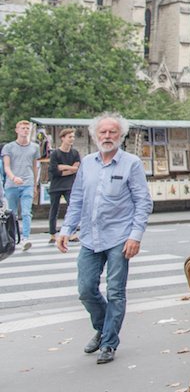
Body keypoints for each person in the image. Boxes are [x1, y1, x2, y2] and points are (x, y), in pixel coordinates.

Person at [56, 113, 153, 365]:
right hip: (89, 236)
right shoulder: (87, 163)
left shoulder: (131, 163)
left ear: (121, 135)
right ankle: (102, 328)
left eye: (112, 132)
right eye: (103, 132)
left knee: (116, 292)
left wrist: (135, 236)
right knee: (86, 289)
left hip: (119, 238)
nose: (107, 136)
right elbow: (76, 199)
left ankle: (109, 342)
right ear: (95, 136)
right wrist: (66, 229)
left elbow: (143, 202)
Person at [3, 120, 40, 250]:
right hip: (12, 184)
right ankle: (12, 238)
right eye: (23, 128)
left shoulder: (35, 147)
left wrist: (35, 185)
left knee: (26, 212)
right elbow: (6, 167)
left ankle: (25, 238)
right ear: (17, 130)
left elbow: (35, 167)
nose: (25, 130)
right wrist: (13, 177)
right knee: (12, 213)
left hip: (28, 183)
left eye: (27, 128)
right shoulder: (9, 147)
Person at [47, 128, 82, 243]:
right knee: (54, 209)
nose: (72, 139)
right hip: (56, 185)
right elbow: (54, 170)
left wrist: (63, 167)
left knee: (72, 208)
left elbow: (77, 168)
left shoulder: (75, 153)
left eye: (73, 137)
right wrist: (69, 168)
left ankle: (72, 233)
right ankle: (52, 233)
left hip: (69, 185)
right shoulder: (55, 153)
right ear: (63, 138)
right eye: (69, 137)